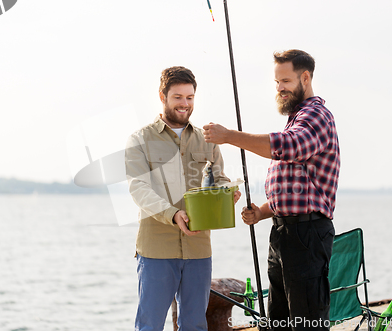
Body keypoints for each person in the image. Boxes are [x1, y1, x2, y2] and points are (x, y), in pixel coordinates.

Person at [203, 50, 340, 331]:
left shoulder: (316, 115)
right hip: (284, 235)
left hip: (306, 236)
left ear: (305, 77)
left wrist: (229, 137)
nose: (279, 88)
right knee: (278, 321)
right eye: (276, 82)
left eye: (286, 81)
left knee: (307, 323)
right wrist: (263, 212)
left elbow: (290, 146)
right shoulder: (297, 117)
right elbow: (298, 190)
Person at [125, 66, 241, 331]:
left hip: (198, 249)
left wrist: (227, 194)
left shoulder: (207, 140)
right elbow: (138, 188)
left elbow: (219, 178)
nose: (184, 104)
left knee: (194, 325)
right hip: (156, 250)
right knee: (150, 325)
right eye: (178, 97)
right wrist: (173, 214)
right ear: (162, 96)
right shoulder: (140, 140)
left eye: (189, 97)